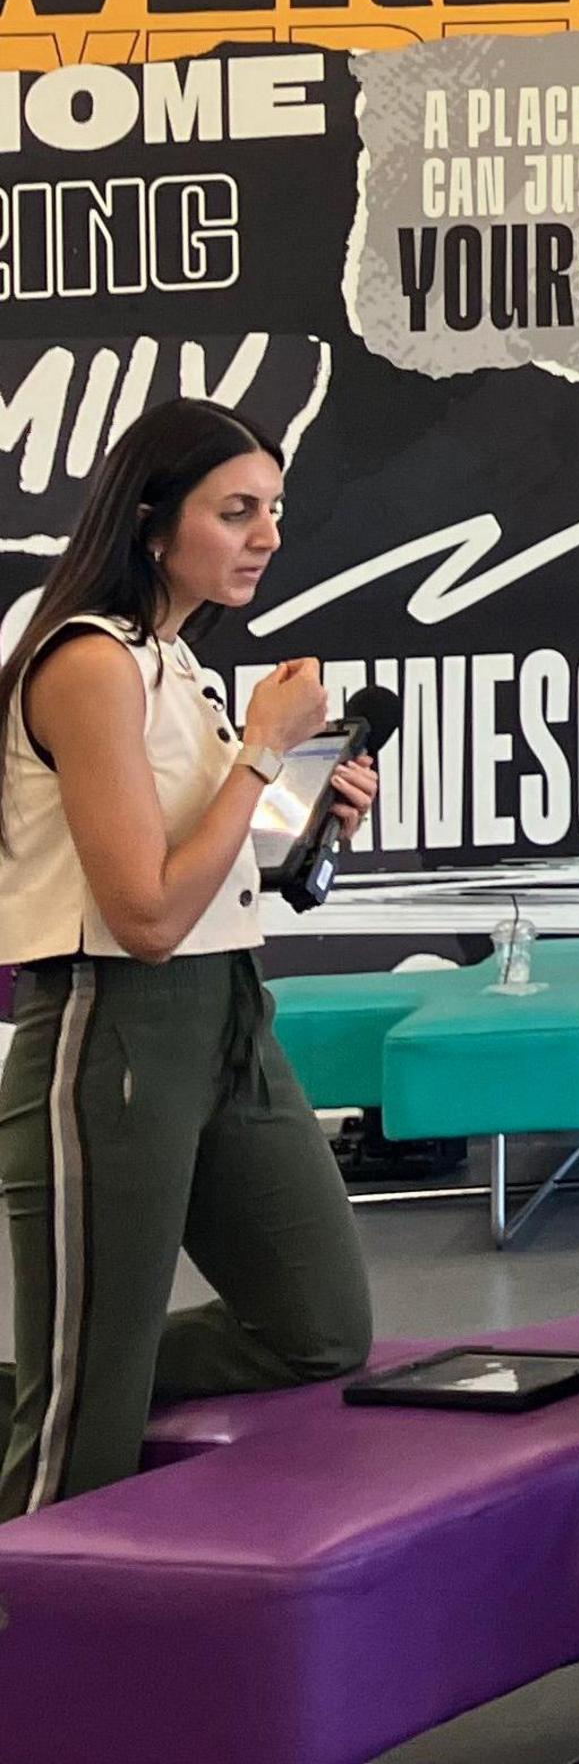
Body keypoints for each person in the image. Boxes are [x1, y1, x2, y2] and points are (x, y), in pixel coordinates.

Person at [0, 398, 379, 1514]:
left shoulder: (175, 666)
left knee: (317, 1326)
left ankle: (54, 1378)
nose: (266, 535)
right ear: (153, 520)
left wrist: (302, 811)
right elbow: (147, 917)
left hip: (228, 1014)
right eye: (236, 511)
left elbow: (207, 865)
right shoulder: (88, 663)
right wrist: (262, 752)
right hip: (114, 1025)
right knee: (86, 1432)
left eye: (274, 510)